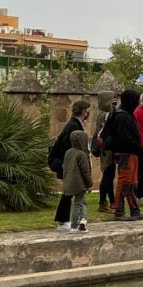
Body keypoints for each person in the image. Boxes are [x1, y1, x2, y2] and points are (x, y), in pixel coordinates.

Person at [48, 100, 90, 231]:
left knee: (69, 192)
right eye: (87, 110)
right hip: (69, 164)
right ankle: (63, 220)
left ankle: (65, 219)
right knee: (68, 192)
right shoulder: (73, 126)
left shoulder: (75, 124)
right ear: (83, 111)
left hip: (68, 163)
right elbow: (68, 146)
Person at [108, 89, 143, 221]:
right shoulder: (122, 116)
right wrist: (137, 146)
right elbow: (125, 137)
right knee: (124, 182)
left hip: (132, 152)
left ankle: (134, 210)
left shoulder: (127, 114)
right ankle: (118, 210)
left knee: (131, 182)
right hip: (125, 152)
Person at [62, 129, 93, 232]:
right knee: (78, 203)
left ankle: (83, 220)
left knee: (81, 202)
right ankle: (74, 226)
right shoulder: (82, 155)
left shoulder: (68, 152)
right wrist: (89, 184)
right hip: (79, 183)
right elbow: (85, 172)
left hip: (69, 181)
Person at [94, 91, 118, 213]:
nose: (115, 100)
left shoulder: (105, 114)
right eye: (112, 98)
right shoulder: (105, 115)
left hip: (108, 148)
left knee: (110, 175)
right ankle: (102, 203)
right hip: (106, 149)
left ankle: (112, 201)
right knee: (107, 176)